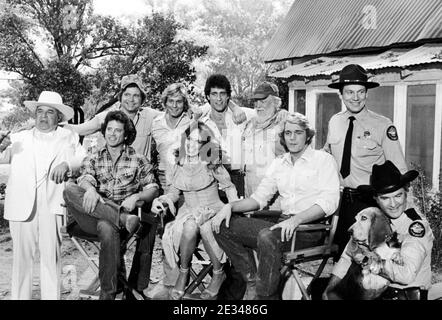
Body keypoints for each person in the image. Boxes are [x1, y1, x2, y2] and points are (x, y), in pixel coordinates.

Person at [212, 112, 340, 300]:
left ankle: (265, 298)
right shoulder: (279, 163)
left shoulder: (323, 160)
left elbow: (329, 202)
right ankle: (252, 280)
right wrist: (230, 207)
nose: (293, 138)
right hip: (282, 226)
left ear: (308, 135)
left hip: (310, 229)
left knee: (267, 236)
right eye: (288, 133)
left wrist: (297, 219)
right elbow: (258, 199)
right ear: (283, 137)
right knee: (222, 225)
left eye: (298, 132)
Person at [63, 110, 159, 300]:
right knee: (69, 190)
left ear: (126, 134)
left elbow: (153, 188)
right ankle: (120, 217)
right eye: (109, 129)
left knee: (107, 227)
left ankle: (107, 295)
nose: (112, 134)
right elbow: (85, 177)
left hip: (109, 225)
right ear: (104, 131)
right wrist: (89, 189)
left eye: (118, 131)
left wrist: (137, 196)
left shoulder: (138, 159)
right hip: (89, 216)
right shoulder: (93, 156)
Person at [0, 91, 86, 300]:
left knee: (51, 259)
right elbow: (2, 159)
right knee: (21, 261)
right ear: (35, 114)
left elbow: (83, 159)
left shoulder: (68, 137)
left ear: (58, 117)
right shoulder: (17, 138)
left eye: (50, 112)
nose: (44, 117)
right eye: (40, 111)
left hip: (52, 202)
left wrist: (67, 164)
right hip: (21, 203)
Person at [324, 64, 408, 256]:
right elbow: (327, 156)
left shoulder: (383, 125)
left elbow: (399, 171)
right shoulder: (334, 122)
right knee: (343, 258)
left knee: (372, 259)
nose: (355, 98)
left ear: (367, 93)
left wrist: (400, 210)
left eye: (361, 92)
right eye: (350, 92)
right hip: (342, 202)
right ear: (341, 94)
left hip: (370, 204)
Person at [151, 121, 239, 300]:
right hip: (188, 211)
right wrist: (164, 200)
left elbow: (229, 187)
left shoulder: (211, 163)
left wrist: (234, 207)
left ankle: (218, 272)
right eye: (189, 139)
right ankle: (183, 272)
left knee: (206, 227)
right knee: (190, 225)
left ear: (205, 144)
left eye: (198, 142)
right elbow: (174, 193)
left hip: (212, 209)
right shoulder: (179, 163)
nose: (191, 145)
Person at [324, 160, 434, 300]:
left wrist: (366, 260)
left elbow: (406, 274)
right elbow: (347, 256)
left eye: (398, 195)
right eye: (385, 198)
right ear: (376, 199)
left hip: (404, 296)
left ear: (406, 192)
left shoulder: (415, 227)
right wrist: (329, 291)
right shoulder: (371, 220)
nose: (393, 204)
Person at [64, 74, 162, 160]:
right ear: (120, 96)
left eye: (136, 95)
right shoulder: (105, 117)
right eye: (127, 94)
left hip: (139, 176)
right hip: (108, 176)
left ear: (142, 98)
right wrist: (56, 124)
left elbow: (173, 117)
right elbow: (78, 130)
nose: (131, 99)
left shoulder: (150, 115)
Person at [199, 74, 256, 197]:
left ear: (228, 96)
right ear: (208, 96)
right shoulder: (202, 122)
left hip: (239, 178)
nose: (218, 99)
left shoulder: (243, 115)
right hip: (212, 179)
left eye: (222, 94)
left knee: (240, 214)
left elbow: (268, 113)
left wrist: (282, 113)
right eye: (214, 94)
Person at [241, 81, 286, 204]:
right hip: (250, 199)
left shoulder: (283, 125)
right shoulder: (250, 125)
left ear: (276, 102)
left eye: (263, 101)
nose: (258, 105)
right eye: (256, 101)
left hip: (275, 205)